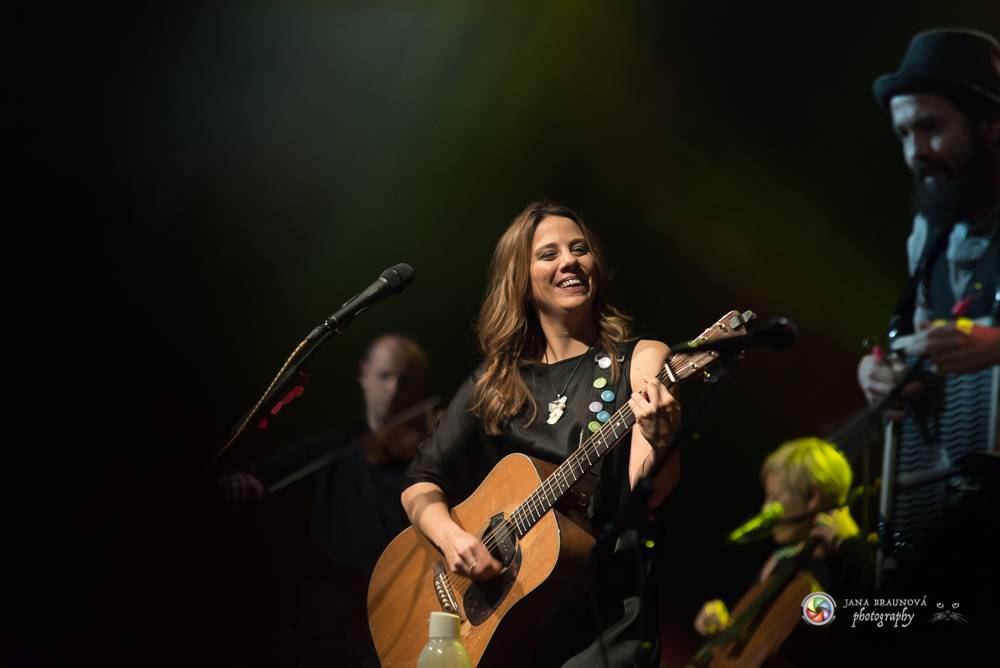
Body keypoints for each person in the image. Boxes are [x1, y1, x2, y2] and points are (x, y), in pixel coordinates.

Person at [401, 201, 681, 667]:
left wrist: (659, 434)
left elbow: (645, 493)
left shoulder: (643, 361)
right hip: (514, 621)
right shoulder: (496, 379)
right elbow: (419, 484)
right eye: (548, 254)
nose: (569, 261)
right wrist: (450, 537)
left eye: (579, 249)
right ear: (521, 280)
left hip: (605, 626)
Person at [855, 29, 1000, 610]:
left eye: (931, 127)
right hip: (960, 525)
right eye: (903, 134)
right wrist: (880, 373)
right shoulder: (930, 234)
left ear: (990, 123)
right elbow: (914, 338)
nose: (915, 151)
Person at [220, 333, 432, 668]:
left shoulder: (428, 462)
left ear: (420, 387)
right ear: (364, 376)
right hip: (323, 630)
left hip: (397, 625)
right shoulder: (330, 449)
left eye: (404, 380)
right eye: (384, 376)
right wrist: (242, 482)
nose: (392, 389)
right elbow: (263, 475)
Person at [692, 438, 865, 643]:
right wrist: (721, 628)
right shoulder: (780, 560)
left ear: (813, 498)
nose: (765, 510)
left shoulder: (858, 564)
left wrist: (853, 548)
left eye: (774, 499)